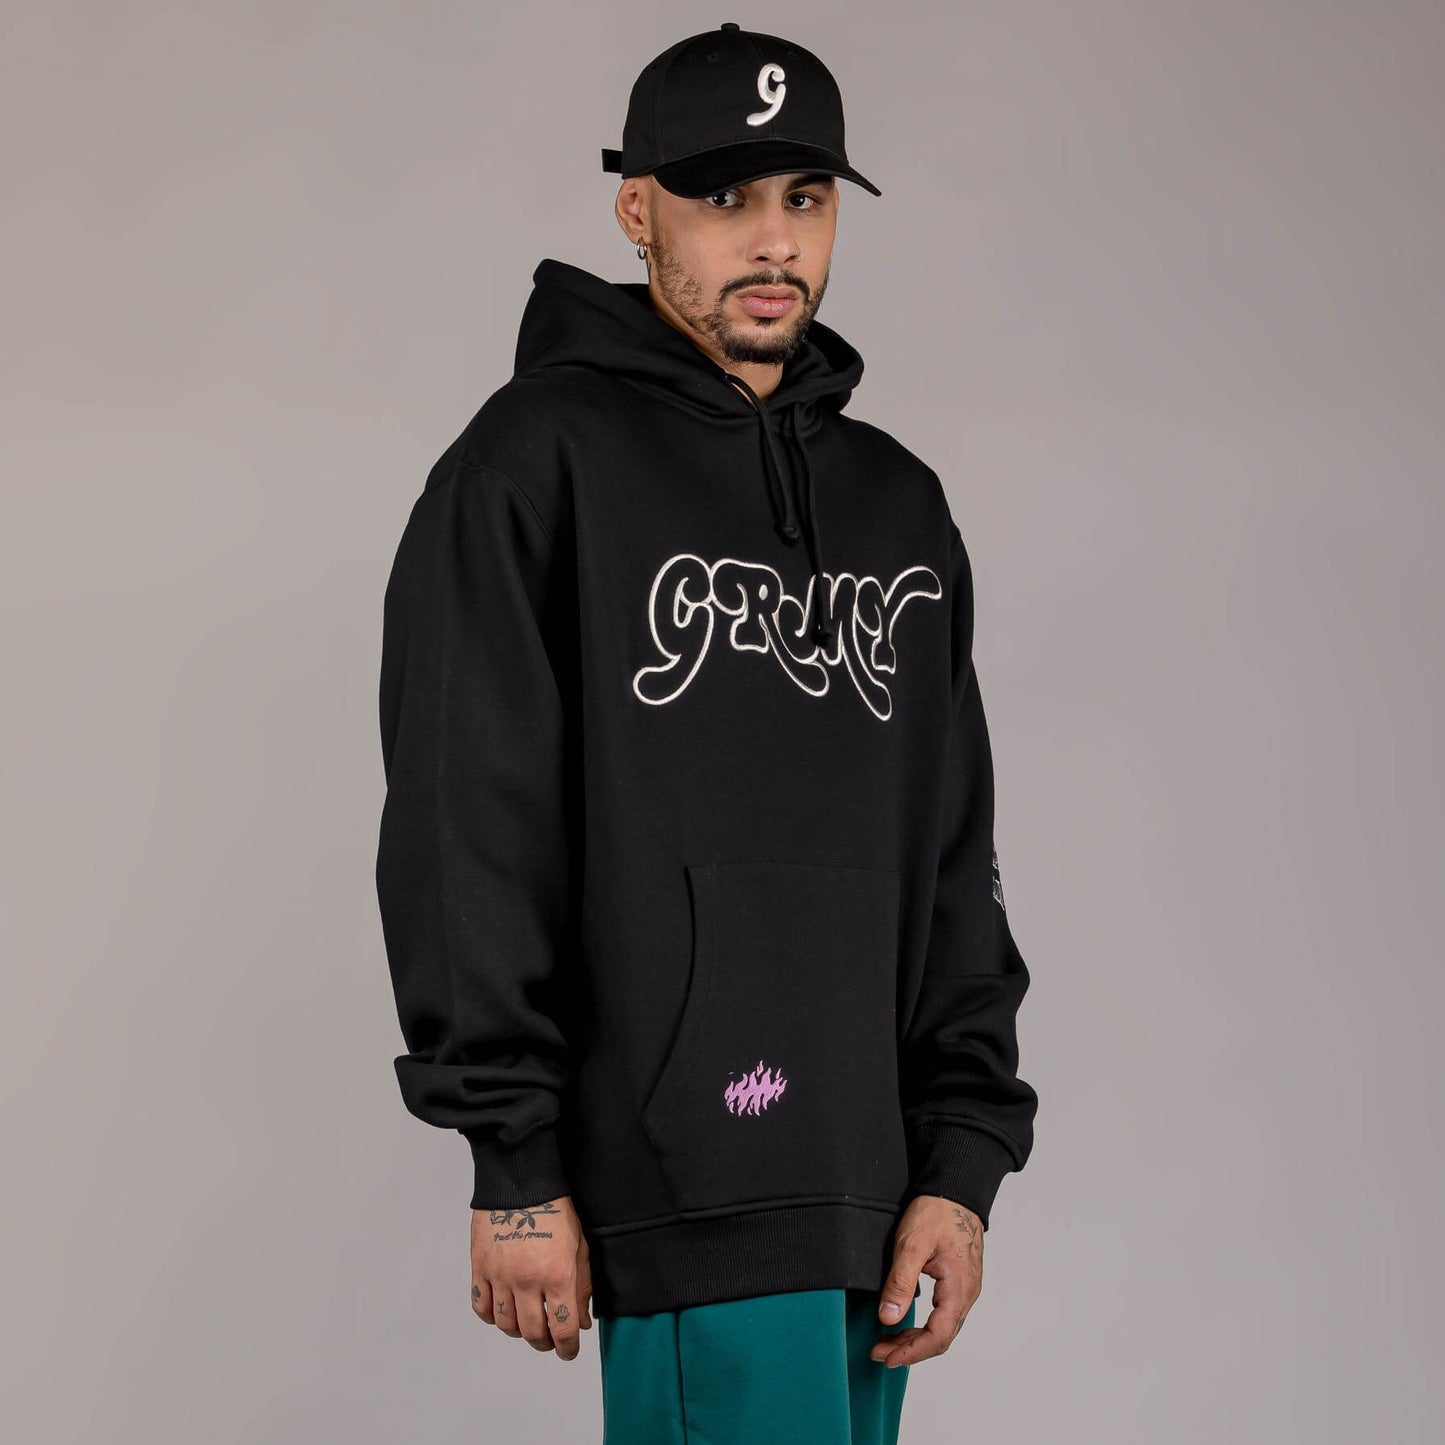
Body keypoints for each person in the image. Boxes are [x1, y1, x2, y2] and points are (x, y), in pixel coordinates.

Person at [375, 22, 1039, 1443]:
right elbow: (464, 822)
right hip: (685, 1180)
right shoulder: (529, 466)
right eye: (722, 196)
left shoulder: (897, 505)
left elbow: (950, 848)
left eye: (805, 197)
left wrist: (962, 1158)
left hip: (872, 1196)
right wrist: (515, 1163)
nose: (773, 240)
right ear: (638, 211)